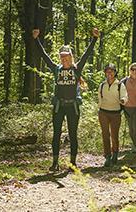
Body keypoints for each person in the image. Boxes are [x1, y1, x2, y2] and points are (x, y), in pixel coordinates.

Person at [32, 28, 99, 171]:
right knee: (56, 134)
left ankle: (73, 163)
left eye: (66, 56)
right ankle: (55, 163)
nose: (64, 58)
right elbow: (44, 56)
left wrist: (94, 38)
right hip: (59, 106)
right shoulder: (56, 69)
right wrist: (36, 39)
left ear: (71, 56)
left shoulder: (76, 69)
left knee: (73, 134)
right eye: (62, 56)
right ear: (60, 57)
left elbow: (87, 54)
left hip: (72, 106)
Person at [98, 63, 128, 167]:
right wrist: (100, 108)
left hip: (115, 113)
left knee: (114, 135)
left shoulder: (120, 85)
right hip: (103, 112)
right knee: (105, 134)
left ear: (115, 72)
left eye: (112, 71)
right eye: (107, 71)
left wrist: (123, 100)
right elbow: (100, 99)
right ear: (105, 72)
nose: (109, 73)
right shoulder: (102, 85)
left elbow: (125, 96)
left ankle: (115, 153)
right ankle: (107, 156)